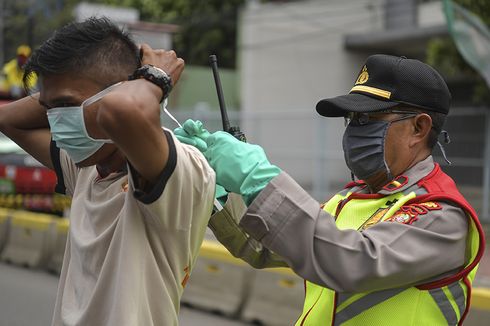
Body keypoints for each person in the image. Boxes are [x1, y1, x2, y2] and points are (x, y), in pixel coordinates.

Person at [175, 54, 486, 325]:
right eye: (351, 118)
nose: (354, 130)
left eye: (368, 118)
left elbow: (352, 262)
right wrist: (212, 187)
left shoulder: (442, 216)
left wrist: (257, 176)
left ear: (419, 128)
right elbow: (266, 248)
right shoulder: (350, 199)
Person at [0, 17, 216, 325]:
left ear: (120, 93)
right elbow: (8, 119)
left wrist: (152, 77)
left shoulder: (180, 172)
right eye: (50, 110)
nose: (57, 121)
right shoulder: (85, 170)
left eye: (66, 106)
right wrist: (59, 94)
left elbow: (123, 112)